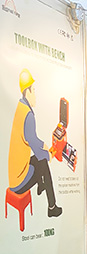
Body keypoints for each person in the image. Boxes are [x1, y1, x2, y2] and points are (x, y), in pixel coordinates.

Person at [7, 69, 61, 217]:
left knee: (40, 160)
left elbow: (31, 138)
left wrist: (43, 145)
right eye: (34, 90)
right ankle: (52, 208)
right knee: (43, 162)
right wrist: (49, 155)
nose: (35, 95)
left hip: (15, 173)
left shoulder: (21, 107)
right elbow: (37, 150)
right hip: (18, 182)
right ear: (28, 91)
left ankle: (41, 184)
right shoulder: (29, 115)